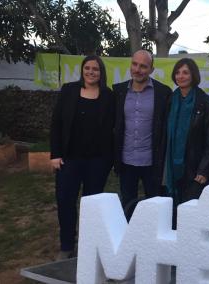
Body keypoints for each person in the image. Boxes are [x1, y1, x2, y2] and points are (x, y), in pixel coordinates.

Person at [50, 55, 115, 259]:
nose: (91, 72)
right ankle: (67, 245)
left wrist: (110, 159)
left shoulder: (108, 95)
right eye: (87, 68)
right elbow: (56, 124)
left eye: (95, 69)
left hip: (98, 161)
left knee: (91, 205)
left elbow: (113, 127)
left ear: (101, 72)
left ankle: (88, 245)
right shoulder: (69, 90)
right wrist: (55, 154)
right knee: (65, 201)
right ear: (82, 70)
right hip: (69, 159)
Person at [112, 50, 172, 219]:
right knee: (127, 205)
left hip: (152, 162)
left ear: (151, 69)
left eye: (143, 66)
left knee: (155, 207)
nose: (137, 69)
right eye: (135, 64)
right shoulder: (118, 91)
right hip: (126, 161)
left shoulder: (163, 93)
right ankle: (129, 240)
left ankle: (153, 242)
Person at [165, 58, 209, 211]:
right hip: (171, 168)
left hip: (195, 168)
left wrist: (203, 169)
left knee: (191, 212)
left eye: (185, 72)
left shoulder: (205, 102)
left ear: (193, 75)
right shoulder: (170, 100)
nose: (180, 76)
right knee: (174, 212)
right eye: (178, 72)